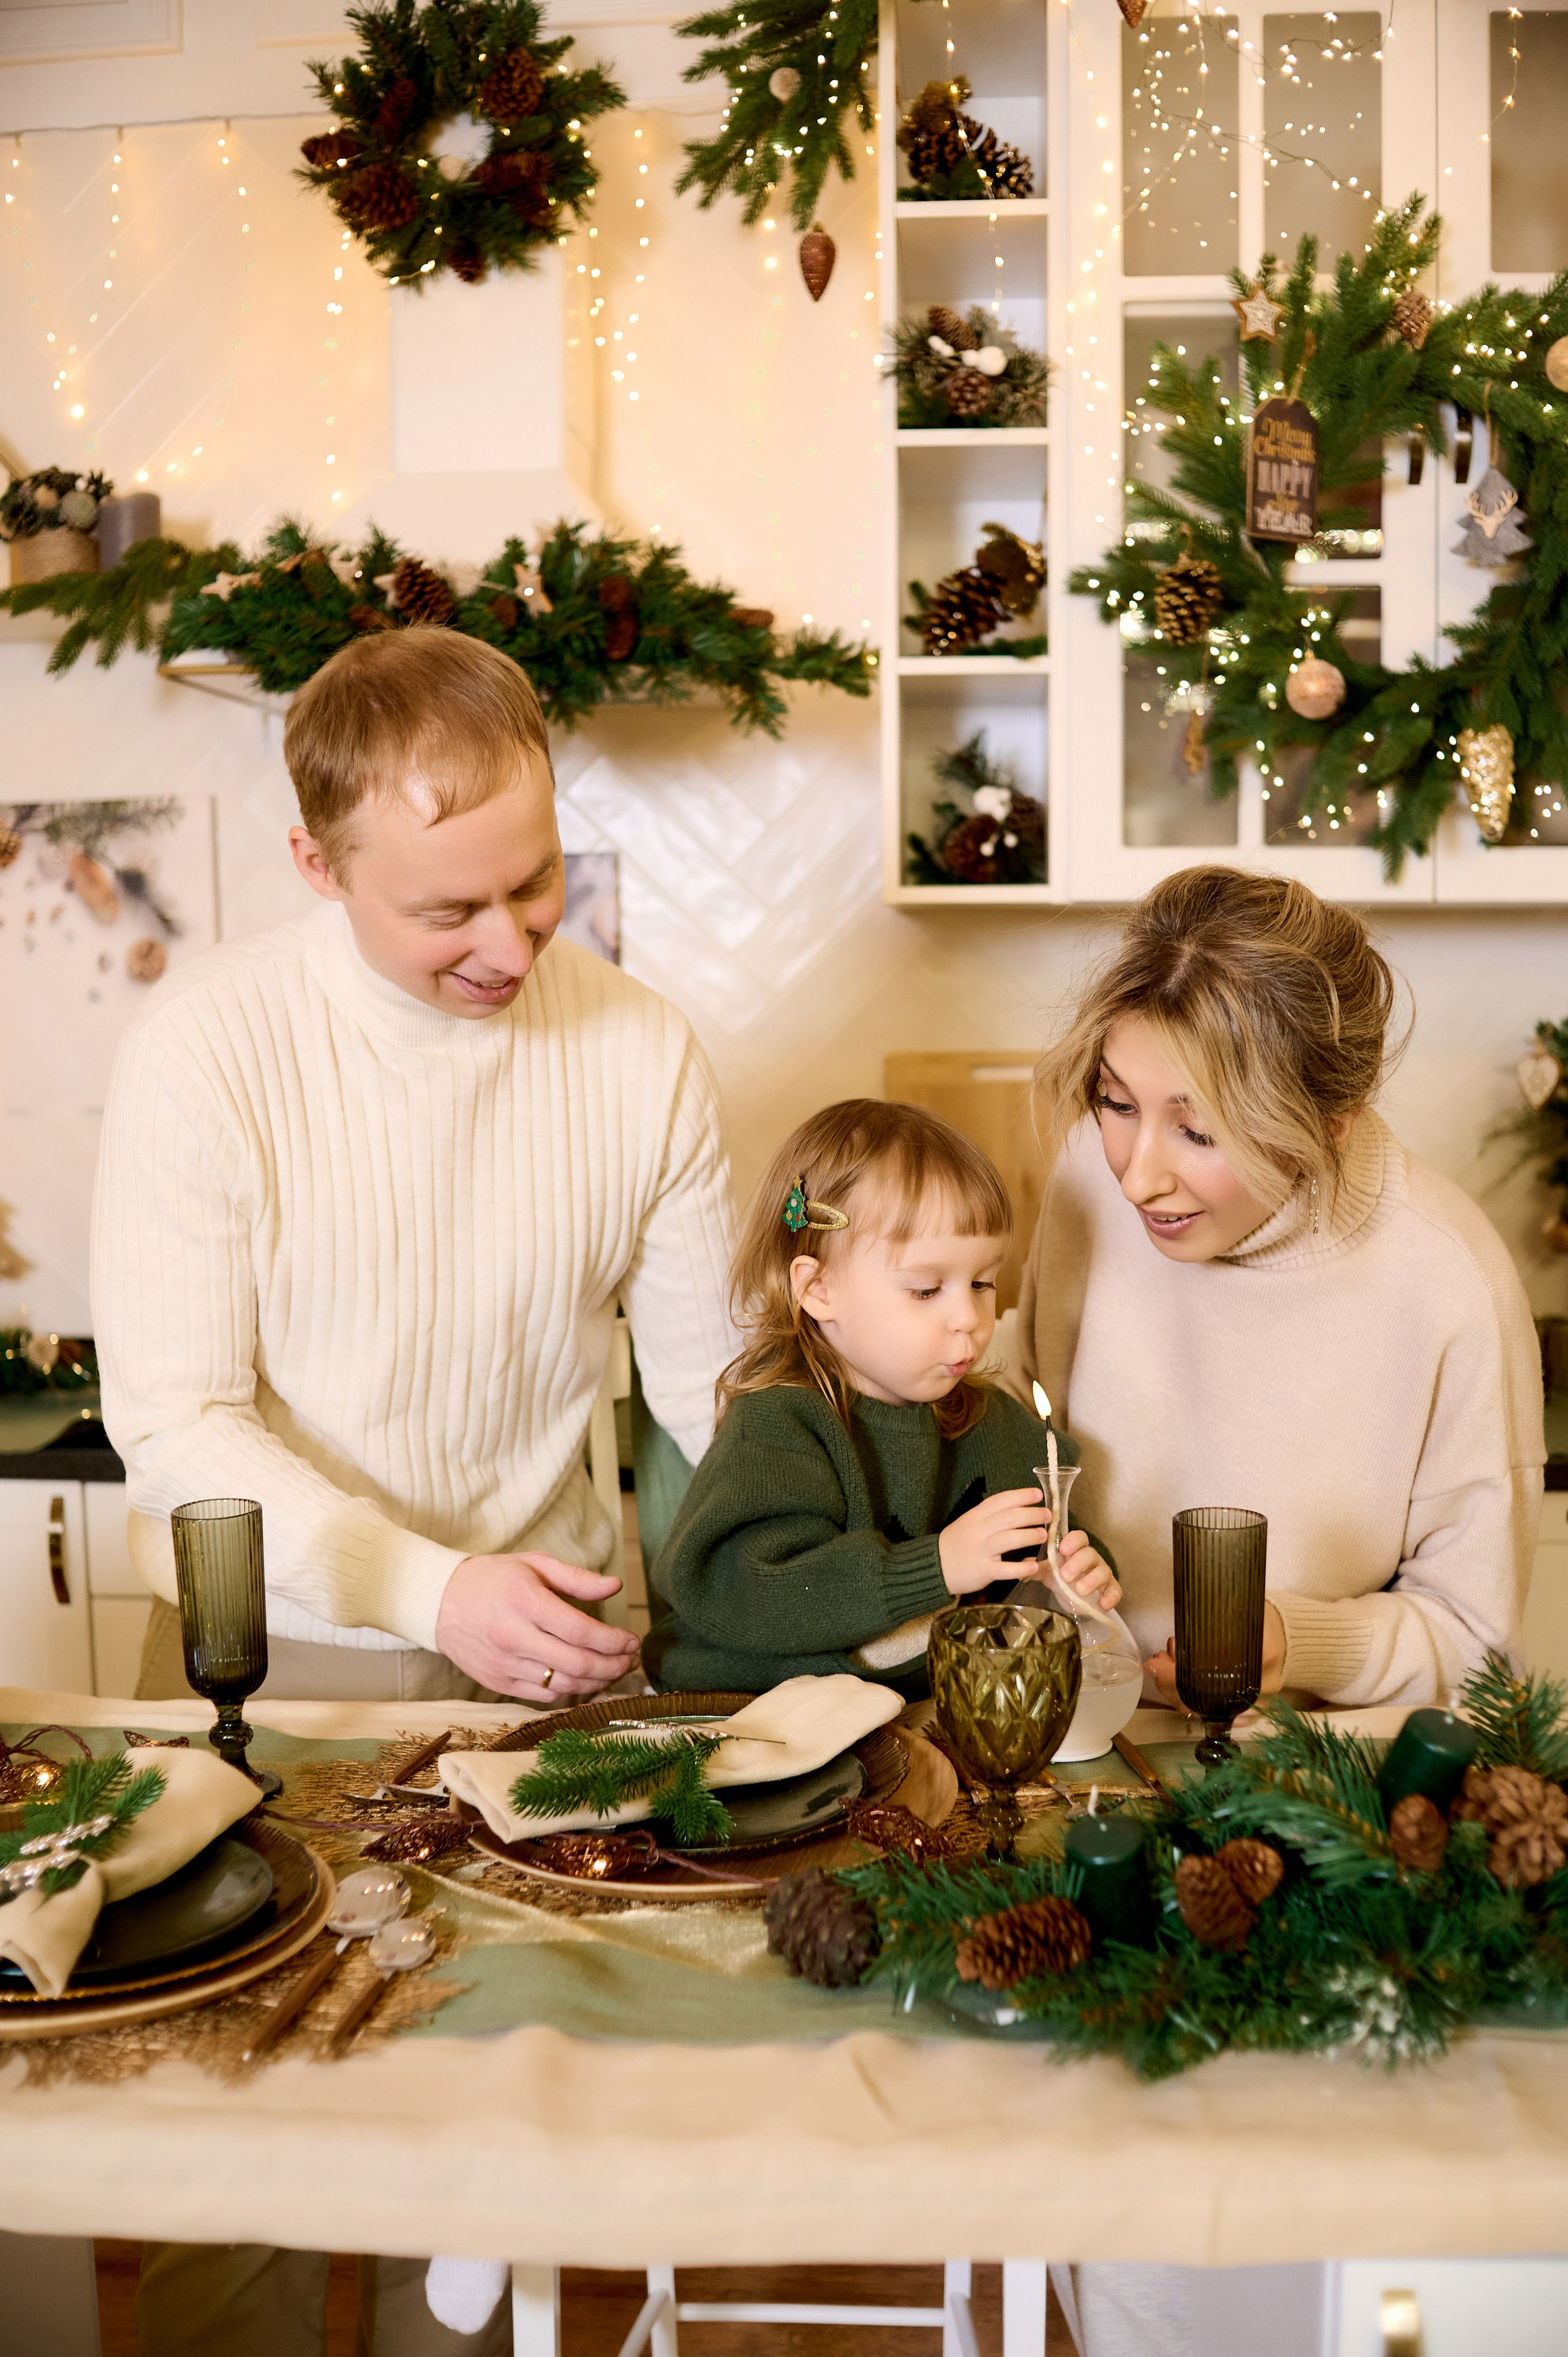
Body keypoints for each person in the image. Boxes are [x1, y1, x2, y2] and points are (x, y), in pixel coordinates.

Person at [91, 627, 737, 2357]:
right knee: (246, 2146)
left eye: (533, 886)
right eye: (446, 912)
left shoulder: (647, 1053)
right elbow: (177, 1421)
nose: (511, 943)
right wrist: (429, 1586)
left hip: (565, 1679)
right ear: (316, 864)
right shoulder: (209, 1053)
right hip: (278, 1667)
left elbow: (718, 1405)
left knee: (497, 2147)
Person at [1020, 864, 1545, 1716]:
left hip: (1308, 1777)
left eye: (1197, 1130)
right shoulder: (1086, 1173)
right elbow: (1027, 1428)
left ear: (1328, 1125)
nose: (1138, 1178)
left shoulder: (1449, 1280)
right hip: (1075, 1735)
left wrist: (1295, 1641)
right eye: (1118, 1102)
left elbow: (1473, 1641)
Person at [647, 1098, 1118, 1695]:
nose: (969, 1318)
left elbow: (1051, 1530)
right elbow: (739, 1592)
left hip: (919, 1694)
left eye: (981, 1282)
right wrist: (935, 1566)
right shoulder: (778, 1422)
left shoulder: (987, 1418)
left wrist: (1078, 1567)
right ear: (819, 1289)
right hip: (753, 1699)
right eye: (926, 1289)